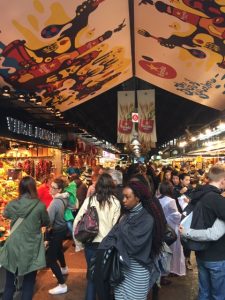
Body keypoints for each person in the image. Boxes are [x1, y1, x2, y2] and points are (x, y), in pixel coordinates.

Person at [98, 180, 166, 300]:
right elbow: (111, 237)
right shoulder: (126, 215)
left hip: (138, 271)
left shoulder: (147, 218)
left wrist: (120, 228)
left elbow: (134, 245)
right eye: (123, 196)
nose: (123, 200)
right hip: (122, 269)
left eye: (127, 197)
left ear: (138, 198)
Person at [0, 176, 50, 300]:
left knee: (9, 284)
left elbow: (5, 214)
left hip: (13, 245)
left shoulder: (13, 204)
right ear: (34, 188)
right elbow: (46, 221)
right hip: (31, 247)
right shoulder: (40, 205)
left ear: (20, 188)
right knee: (28, 283)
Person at [73, 173, 121, 300]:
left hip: (90, 244)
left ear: (98, 185)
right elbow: (115, 227)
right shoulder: (116, 202)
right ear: (111, 185)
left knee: (92, 277)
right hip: (107, 246)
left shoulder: (90, 200)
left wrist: (78, 244)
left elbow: (77, 221)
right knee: (105, 278)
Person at [183, 165, 225, 300]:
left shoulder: (198, 194)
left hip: (201, 253)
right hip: (217, 255)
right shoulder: (217, 199)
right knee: (218, 295)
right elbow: (215, 232)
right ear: (223, 181)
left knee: (204, 292)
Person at [158, 181, 186, 278]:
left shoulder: (157, 199)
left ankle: (163, 271)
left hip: (160, 227)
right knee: (174, 249)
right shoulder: (171, 201)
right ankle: (172, 269)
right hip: (171, 228)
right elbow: (175, 216)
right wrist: (183, 215)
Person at [46, 177, 69, 295]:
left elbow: (48, 221)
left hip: (56, 230)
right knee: (59, 250)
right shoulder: (64, 198)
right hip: (62, 229)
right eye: (50, 186)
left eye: (53, 188)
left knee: (50, 259)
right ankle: (64, 268)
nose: (50, 189)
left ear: (59, 190)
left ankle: (62, 284)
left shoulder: (55, 202)